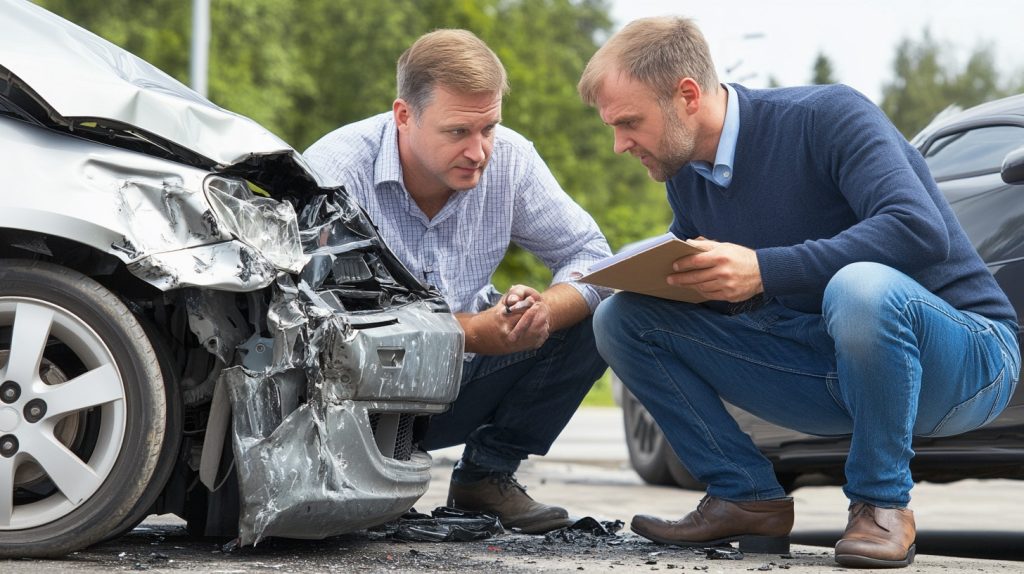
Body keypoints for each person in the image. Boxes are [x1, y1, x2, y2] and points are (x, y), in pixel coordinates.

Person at [577, 16, 1020, 568]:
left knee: (859, 288)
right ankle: (745, 496)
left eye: (629, 123)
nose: (620, 144)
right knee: (621, 319)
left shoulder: (826, 116)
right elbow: (725, 292)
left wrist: (764, 269)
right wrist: (573, 298)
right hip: (830, 367)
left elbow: (917, 229)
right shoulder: (686, 174)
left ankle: (881, 506)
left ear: (686, 95)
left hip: (967, 361)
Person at [304, 29, 611, 534]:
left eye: (489, 127)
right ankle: (359, 481)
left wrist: (543, 311)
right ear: (404, 115)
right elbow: (313, 316)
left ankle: (485, 477)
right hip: (361, 396)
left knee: (602, 314)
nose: (479, 151)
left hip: (463, 385)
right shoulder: (334, 171)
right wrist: (468, 332)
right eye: (457, 132)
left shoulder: (511, 159)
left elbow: (590, 255)